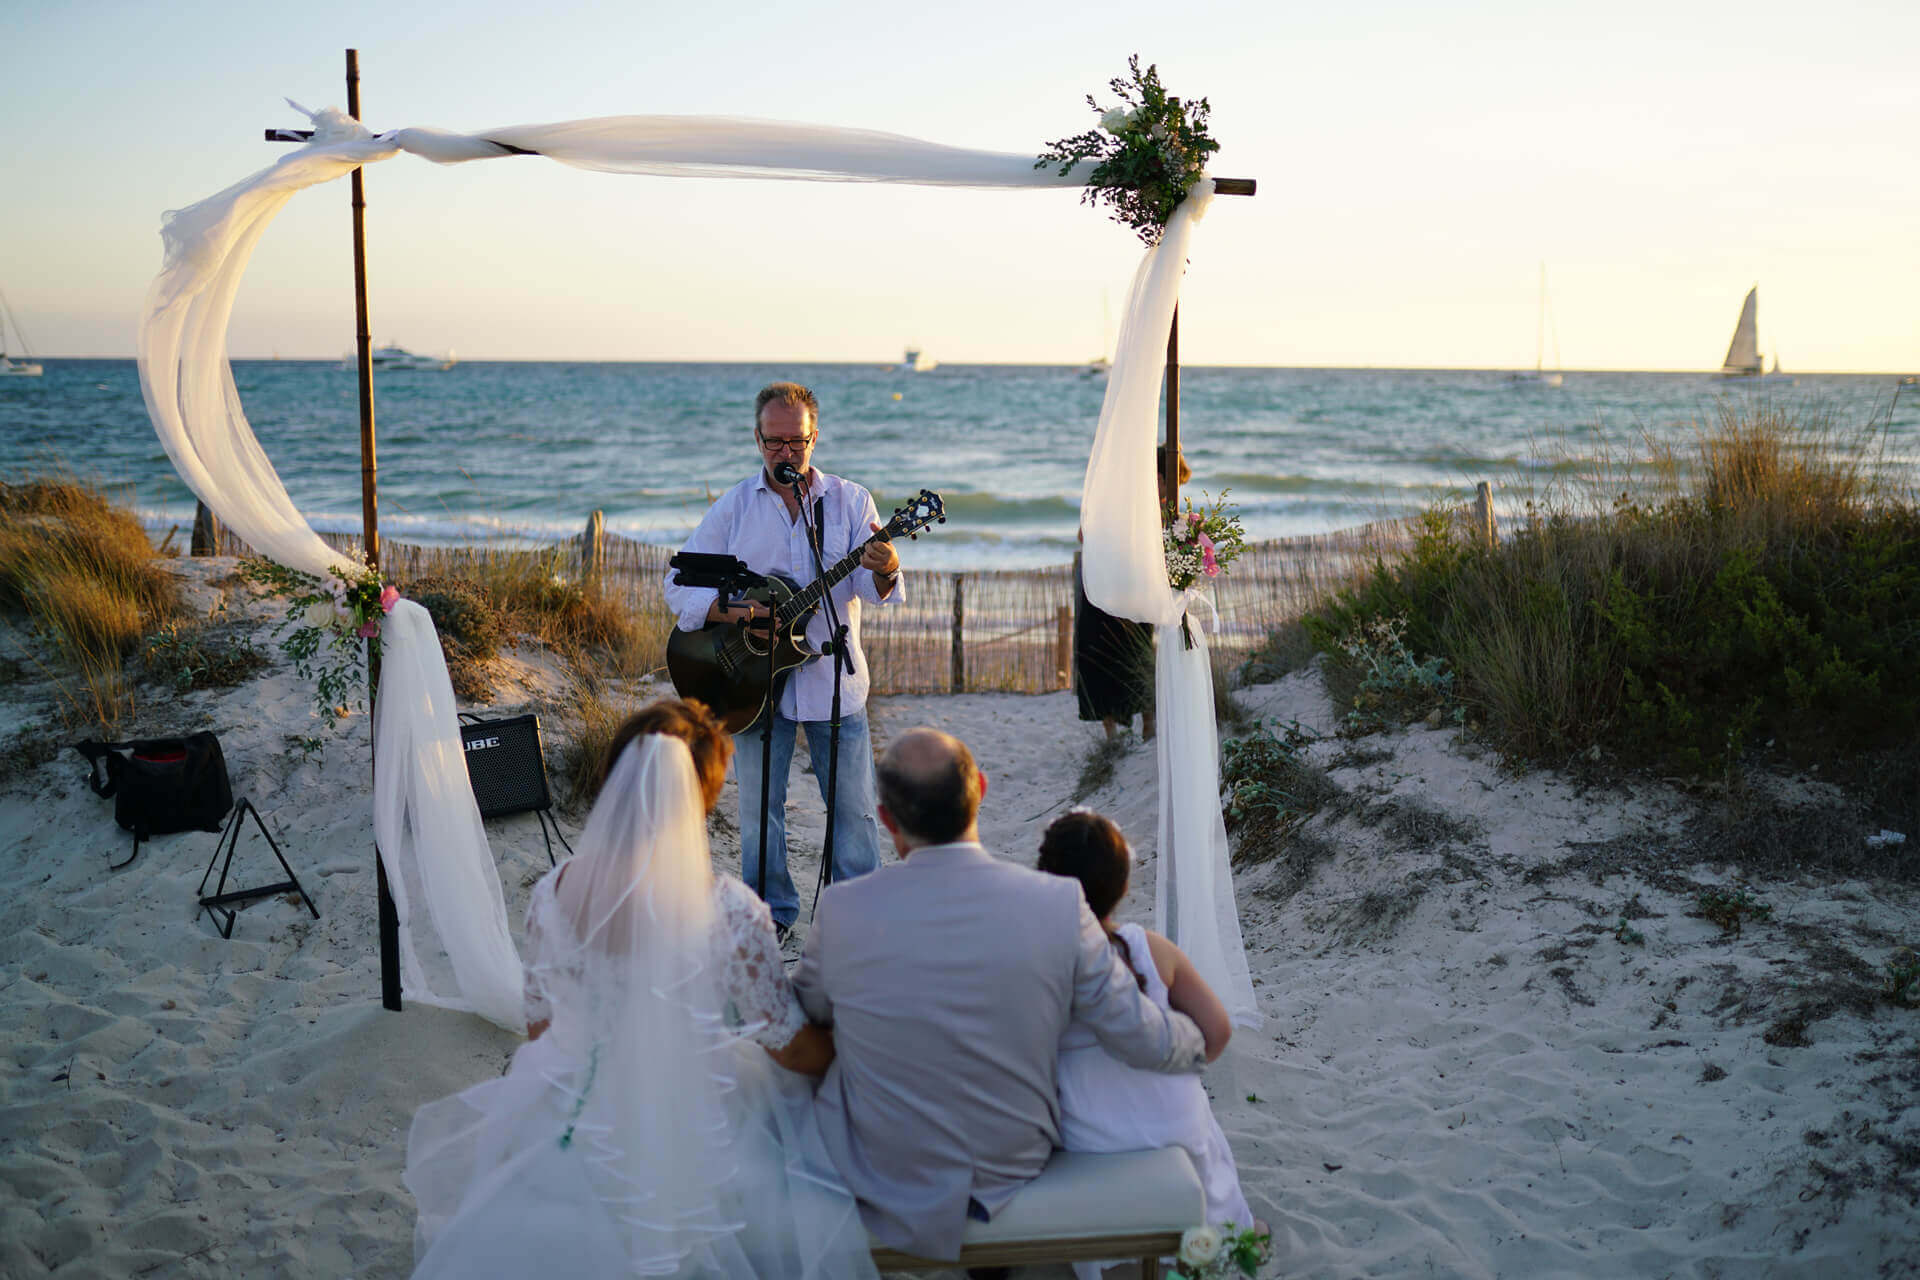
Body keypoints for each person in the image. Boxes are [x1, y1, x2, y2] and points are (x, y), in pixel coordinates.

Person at [404, 699, 878, 1280]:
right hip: (703, 1121)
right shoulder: (730, 910)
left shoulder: (553, 893)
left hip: (585, 1116)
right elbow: (791, 1047)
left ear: (617, 780)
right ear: (701, 796)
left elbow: (541, 1031)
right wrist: (856, 1051)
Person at [793, 727, 1209, 1263]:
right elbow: (1141, 1036)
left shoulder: (842, 909)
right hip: (1009, 1160)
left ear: (888, 820)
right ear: (981, 791)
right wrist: (1196, 1039)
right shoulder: (1059, 904)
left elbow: (807, 1014)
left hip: (879, 1164)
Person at [664, 382, 902, 937]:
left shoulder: (850, 501)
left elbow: (872, 590)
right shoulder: (735, 507)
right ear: (757, 439)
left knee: (852, 811)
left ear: (814, 439)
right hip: (749, 686)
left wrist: (887, 566)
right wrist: (735, 612)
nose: (785, 452)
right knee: (759, 813)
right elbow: (677, 584)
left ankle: (858, 922)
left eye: (796, 441)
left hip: (832, 681)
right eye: (774, 442)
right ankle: (769, 918)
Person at [1036, 809, 1257, 1280]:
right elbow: (1217, 1033)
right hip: (1175, 1133)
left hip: (1094, 1147)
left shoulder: (1039, 966)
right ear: (1122, 886)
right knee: (1198, 1116)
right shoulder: (1151, 949)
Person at [1073, 445, 1190, 740]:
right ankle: (1113, 733)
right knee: (1101, 652)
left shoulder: (1162, 507)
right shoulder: (1128, 498)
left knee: (1137, 652)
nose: (1173, 491)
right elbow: (1084, 535)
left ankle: (1146, 724)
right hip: (1106, 585)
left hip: (1131, 586)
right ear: (1158, 477)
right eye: (1172, 483)